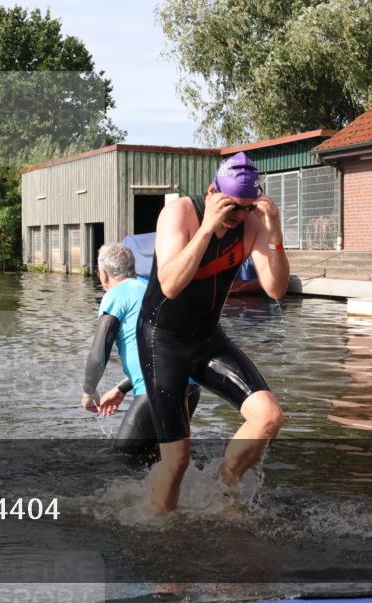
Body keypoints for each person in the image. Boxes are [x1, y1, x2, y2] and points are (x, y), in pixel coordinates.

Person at [138, 152, 289, 514]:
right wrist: (207, 228)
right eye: (233, 207)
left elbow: (276, 289)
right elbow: (170, 285)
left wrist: (274, 230)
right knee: (177, 461)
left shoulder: (251, 225)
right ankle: (159, 536)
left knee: (269, 416)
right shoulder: (179, 214)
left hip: (207, 339)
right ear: (212, 192)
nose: (239, 217)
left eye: (248, 208)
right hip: (164, 342)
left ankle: (222, 486)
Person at [82, 243, 200, 461]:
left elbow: (99, 353)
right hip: (190, 387)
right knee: (159, 460)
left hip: (157, 390)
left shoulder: (115, 295)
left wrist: (89, 391)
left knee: (121, 463)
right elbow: (166, 351)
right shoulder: (155, 290)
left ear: (103, 274)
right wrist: (121, 388)